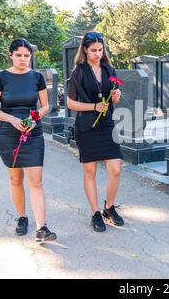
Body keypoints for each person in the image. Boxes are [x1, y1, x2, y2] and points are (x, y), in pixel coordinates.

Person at [0, 38, 57, 242]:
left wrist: (33, 119)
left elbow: (45, 106)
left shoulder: (37, 77)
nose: (23, 59)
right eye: (19, 55)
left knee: (36, 180)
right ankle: (22, 217)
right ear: (10, 55)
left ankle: (42, 228)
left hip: (32, 132)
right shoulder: (1, 77)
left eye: (27, 56)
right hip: (8, 134)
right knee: (15, 179)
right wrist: (12, 119)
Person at [67, 31, 124, 232]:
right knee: (89, 171)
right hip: (86, 127)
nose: (97, 54)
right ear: (85, 49)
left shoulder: (109, 69)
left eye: (100, 50)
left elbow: (113, 99)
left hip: (106, 124)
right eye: (93, 50)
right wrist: (93, 107)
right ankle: (95, 212)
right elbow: (70, 102)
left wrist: (115, 97)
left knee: (116, 169)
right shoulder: (79, 72)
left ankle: (109, 207)